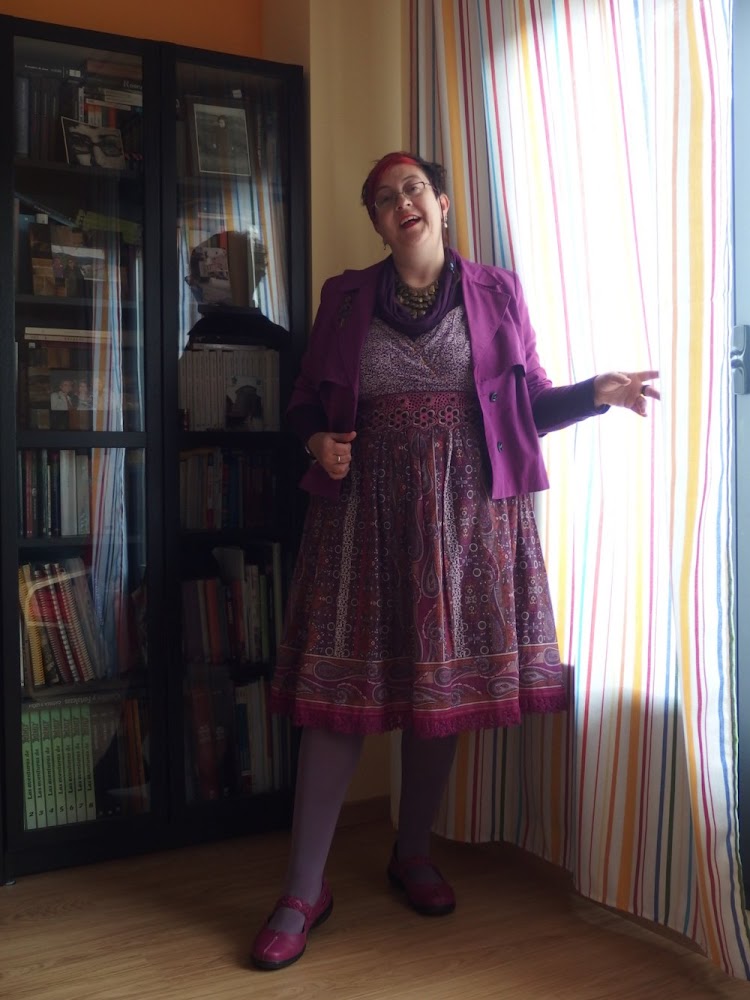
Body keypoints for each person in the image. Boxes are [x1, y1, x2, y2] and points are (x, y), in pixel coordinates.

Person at [250, 151, 660, 971]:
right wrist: (317, 441)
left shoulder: (498, 292)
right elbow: (302, 403)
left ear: (441, 202)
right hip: (361, 519)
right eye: (383, 197)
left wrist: (595, 394)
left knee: (440, 688)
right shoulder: (344, 297)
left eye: (413, 188)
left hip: (467, 520)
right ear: (377, 222)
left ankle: (413, 852)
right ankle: (302, 890)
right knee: (337, 698)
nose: (401, 202)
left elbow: (526, 405)